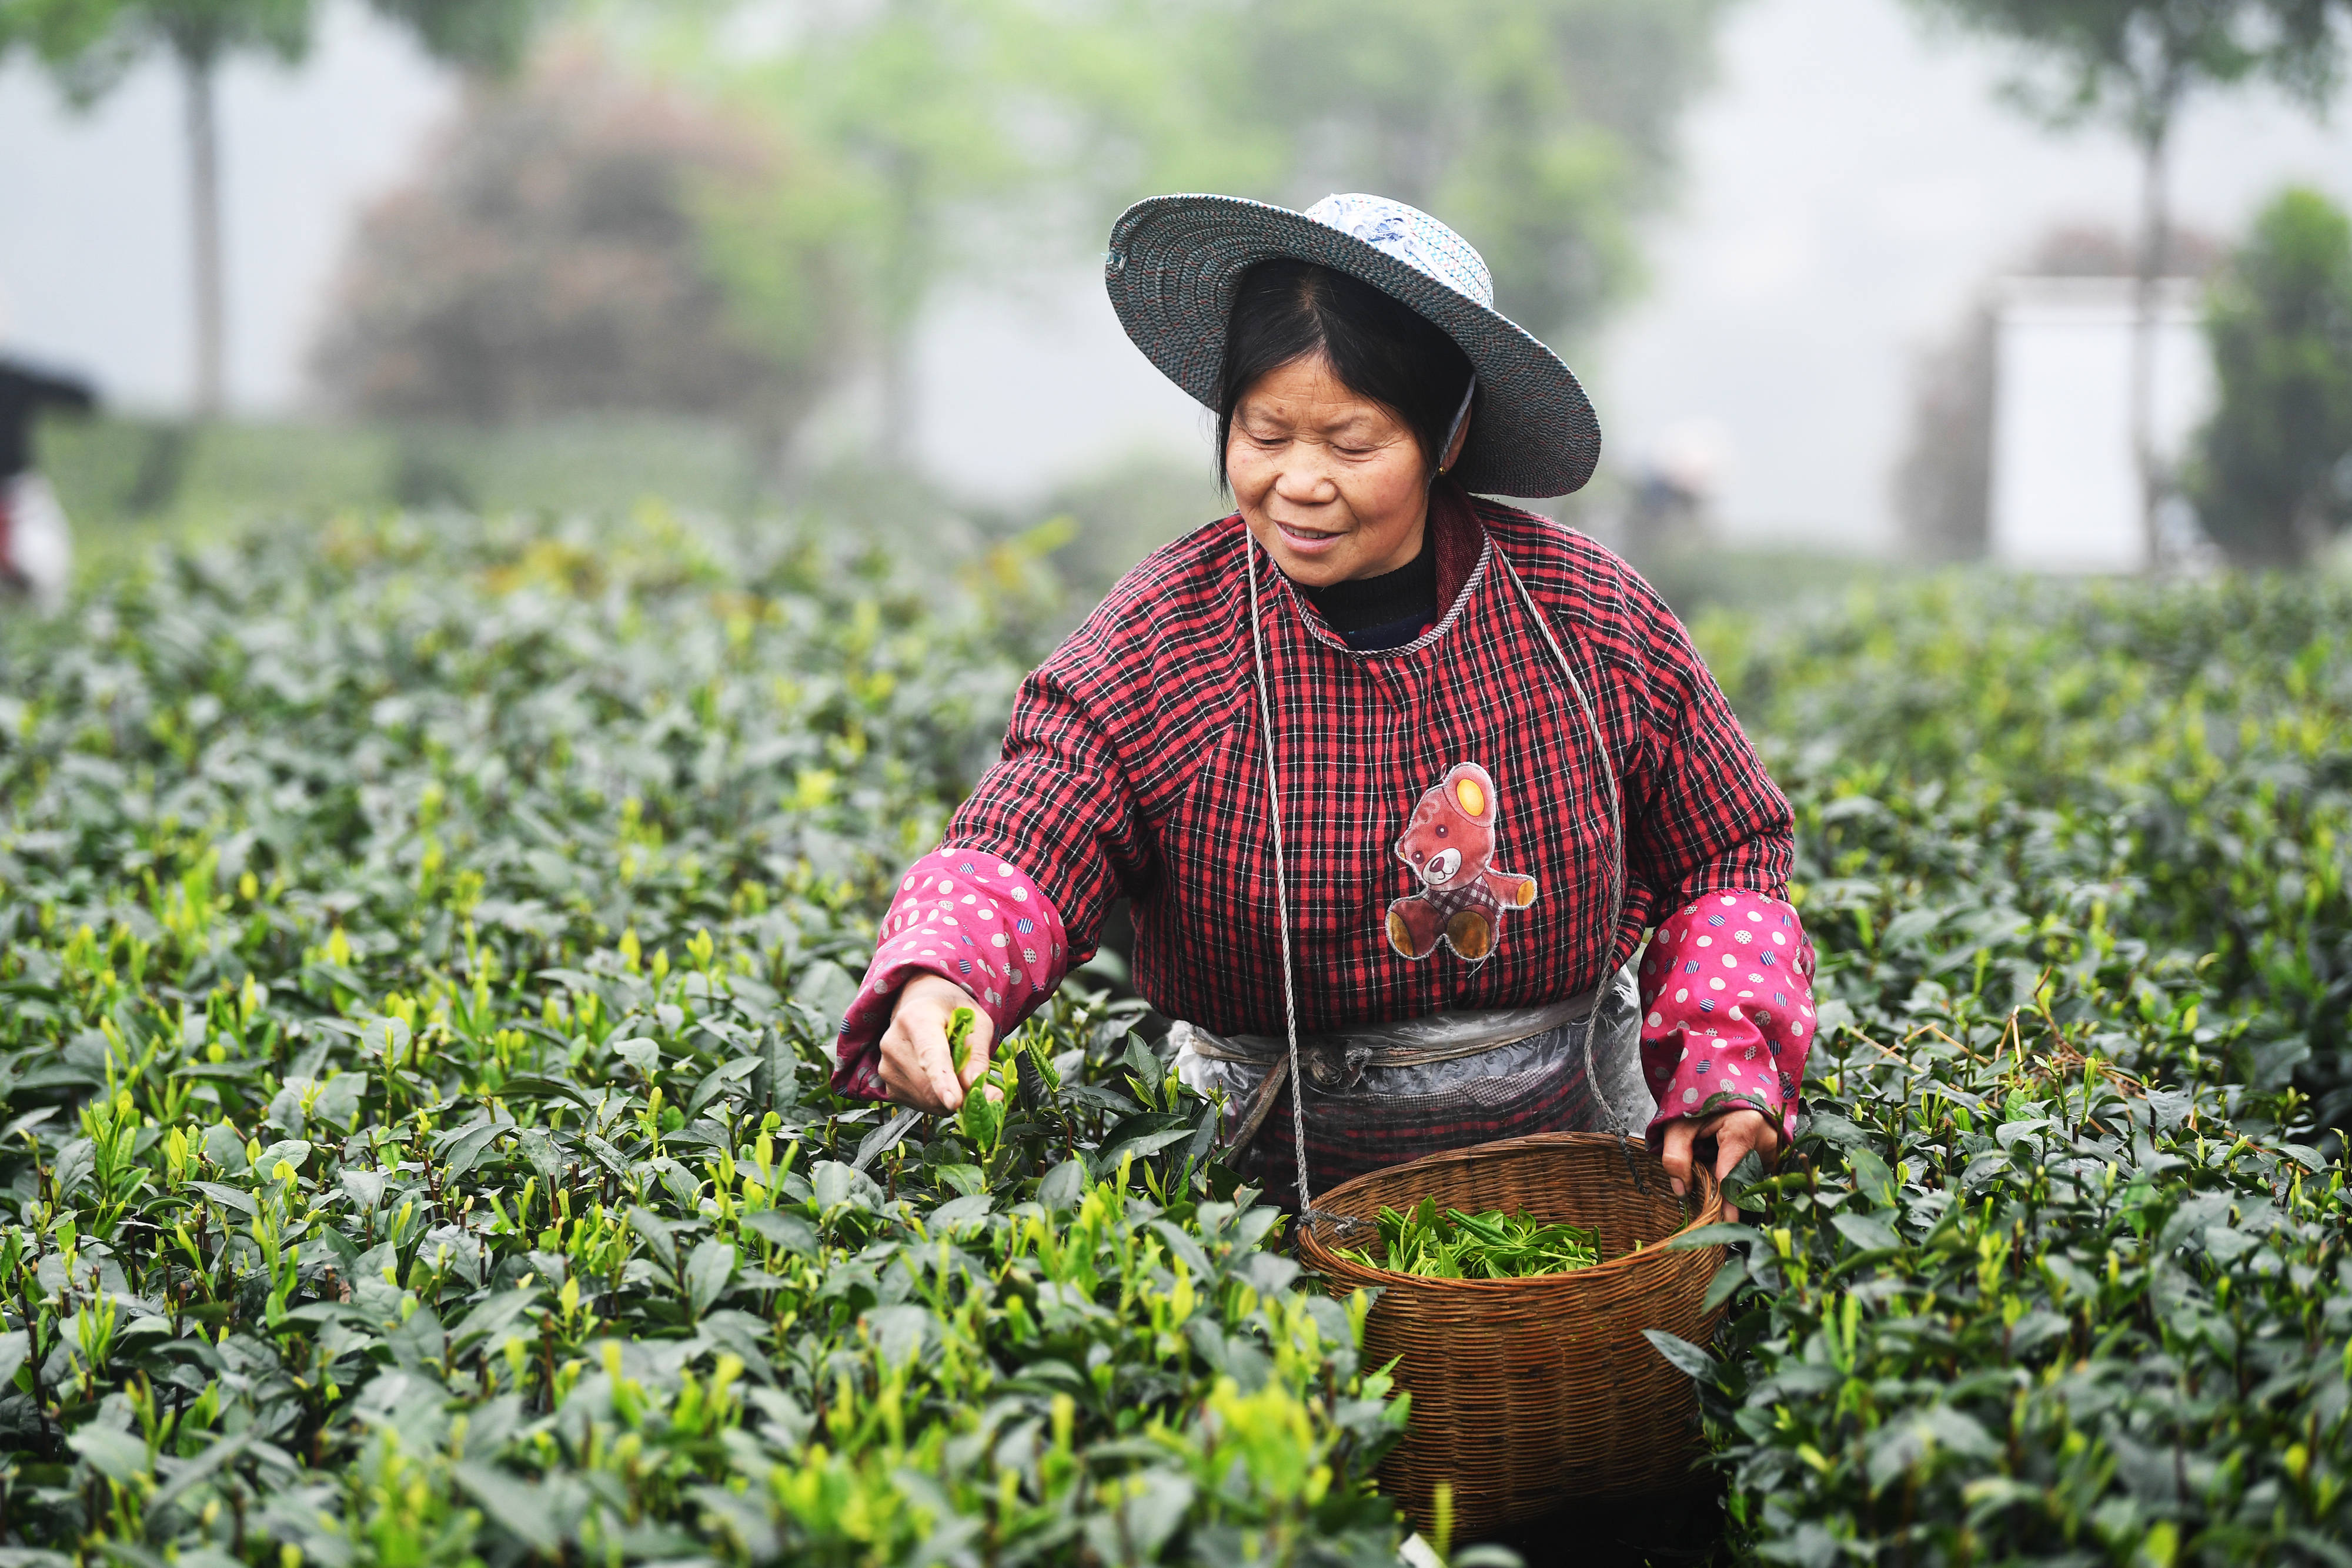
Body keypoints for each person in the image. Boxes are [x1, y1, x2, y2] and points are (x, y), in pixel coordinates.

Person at [833, 192, 1817, 1209]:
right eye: (1264, 434)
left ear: (1448, 435)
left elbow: (1726, 852)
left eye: (1351, 445)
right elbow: (1040, 821)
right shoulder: (1171, 634)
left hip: (1579, 1160)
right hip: (1257, 1184)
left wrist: (1727, 1054)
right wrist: (947, 971)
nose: (1298, 483)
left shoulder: (1587, 618)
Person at [0, 356, 98, 610]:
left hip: (16, 494)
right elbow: (82, 398)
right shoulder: (12, 378)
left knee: (43, 567)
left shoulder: (11, 379)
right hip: (17, 492)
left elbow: (81, 398)